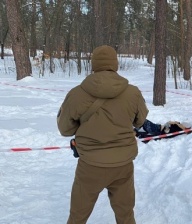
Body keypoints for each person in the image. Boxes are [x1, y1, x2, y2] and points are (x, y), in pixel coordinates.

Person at [57, 45, 148, 224]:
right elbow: (140, 121)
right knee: (126, 216)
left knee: (77, 216)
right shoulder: (133, 93)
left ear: (93, 64)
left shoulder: (76, 94)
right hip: (123, 165)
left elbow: (65, 129)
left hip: (90, 165)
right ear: (115, 64)